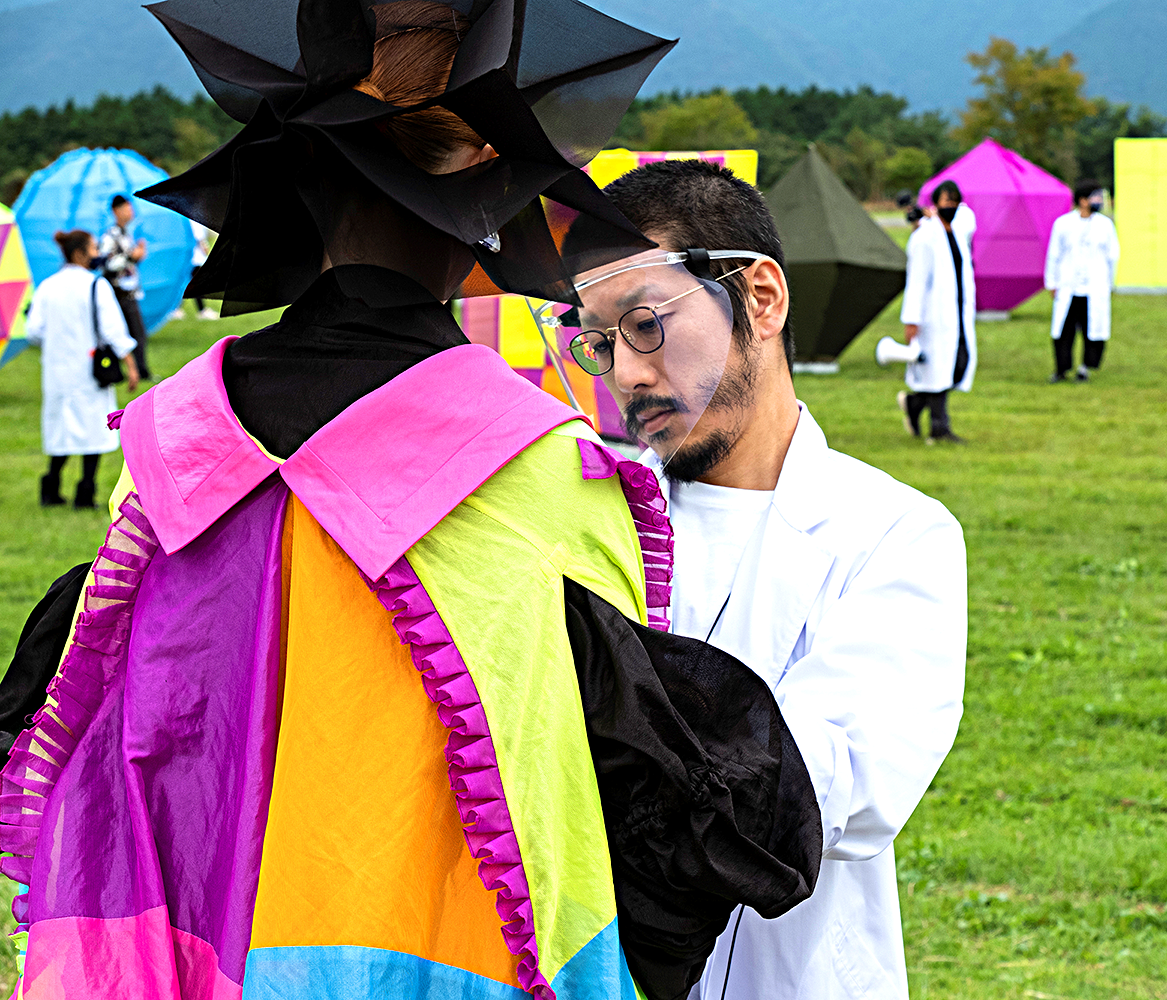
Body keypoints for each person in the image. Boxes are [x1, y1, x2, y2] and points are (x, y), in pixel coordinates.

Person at [0, 5, 820, 1000]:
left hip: (185, 961)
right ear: (484, 205)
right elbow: (629, 814)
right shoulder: (550, 479)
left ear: (301, 185)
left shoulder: (165, 452)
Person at [566, 158, 967, 1000]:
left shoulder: (892, 535)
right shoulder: (587, 517)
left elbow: (830, 788)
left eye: (645, 323)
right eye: (600, 342)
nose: (626, 373)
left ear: (760, 298)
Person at [27, 229, 139, 509]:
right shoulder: (96, 285)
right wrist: (131, 364)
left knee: (60, 431)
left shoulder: (48, 286)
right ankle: (85, 492)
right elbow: (113, 330)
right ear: (79, 254)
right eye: (92, 248)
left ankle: (51, 487)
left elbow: (34, 330)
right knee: (93, 431)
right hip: (90, 372)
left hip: (57, 371)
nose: (97, 253)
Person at [898, 179, 977, 443]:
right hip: (933, 315)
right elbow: (917, 281)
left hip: (957, 312)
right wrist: (911, 318)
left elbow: (970, 219)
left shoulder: (958, 231)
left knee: (957, 365)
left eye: (955, 201)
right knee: (938, 370)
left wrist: (929, 216)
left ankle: (914, 404)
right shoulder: (924, 237)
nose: (951, 206)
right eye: (946, 201)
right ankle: (939, 427)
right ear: (935, 203)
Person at [1045, 179, 1119, 383]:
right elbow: (1054, 254)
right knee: (1063, 330)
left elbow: (1112, 256)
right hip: (1068, 286)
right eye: (1095, 198)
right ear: (1083, 200)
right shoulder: (1063, 224)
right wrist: (1052, 282)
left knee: (1092, 331)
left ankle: (1085, 367)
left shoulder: (1105, 225)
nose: (1099, 202)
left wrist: (1109, 283)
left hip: (1095, 287)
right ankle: (1061, 369)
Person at [98, 193, 152, 380]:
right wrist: (131, 256)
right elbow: (106, 263)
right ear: (116, 211)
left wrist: (137, 256)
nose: (131, 212)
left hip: (129, 292)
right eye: (127, 208)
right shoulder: (110, 236)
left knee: (136, 333)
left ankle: (139, 370)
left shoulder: (126, 234)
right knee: (128, 333)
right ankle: (133, 371)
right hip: (118, 293)